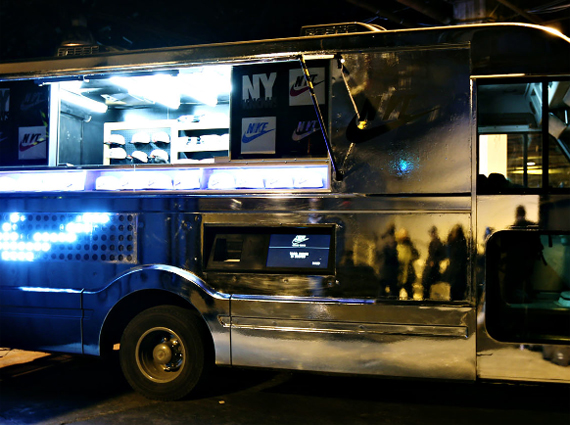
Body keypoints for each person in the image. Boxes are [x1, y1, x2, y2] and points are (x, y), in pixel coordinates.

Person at [422, 226, 446, 300]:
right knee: (426, 283)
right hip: (432, 266)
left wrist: (434, 261)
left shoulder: (437, 243)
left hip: (433, 267)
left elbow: (441, 255)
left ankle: (426, 299)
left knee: (427, 283)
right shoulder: (435, 243)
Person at [395, 228, 419, 300]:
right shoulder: (396, 245)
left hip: (408, 273)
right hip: (399, 272)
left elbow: (416, 255)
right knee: (396, 292)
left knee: (410, 292)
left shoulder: (409, 246)